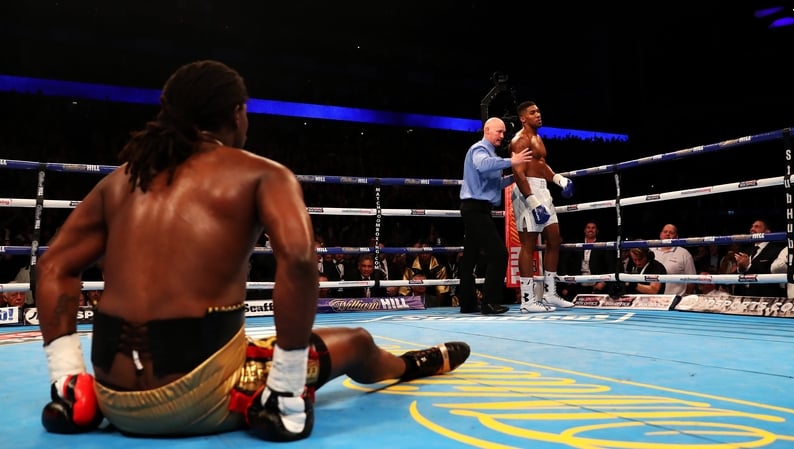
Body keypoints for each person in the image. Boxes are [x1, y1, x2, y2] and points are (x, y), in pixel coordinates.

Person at [33, 60, 470, 442]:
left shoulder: (121, 179)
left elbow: (52, 265)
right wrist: (285, 384)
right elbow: (299, 260)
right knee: (355, 341)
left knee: (252, 343)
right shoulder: (262, 174)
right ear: (238, 113)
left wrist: (68, 374)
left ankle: (72, 394)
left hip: (112, 397)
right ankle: (409, 367)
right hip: (200, 397)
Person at [458, 117, 533, 315]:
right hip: (475, 209)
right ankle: (490, 302)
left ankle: (467, 304)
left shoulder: (491, 155)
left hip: (478, 208)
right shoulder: (479, 150)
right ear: (487, 130)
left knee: (470, 259)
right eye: (499, 132)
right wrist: (512, 160)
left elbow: (493, 185)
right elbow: (483, 165)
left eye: (503, 132)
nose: (502, 135)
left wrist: (514, 177)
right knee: (499, 254)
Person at [509, 101, 575, 313]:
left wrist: (558, 179)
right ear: (523, 118)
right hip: (526, 191)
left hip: (543, 189)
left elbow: (541, 165)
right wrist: (532, 201)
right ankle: (527, 300)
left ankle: (549, 293)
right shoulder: (519, 141)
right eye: (532, 112)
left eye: (538, 111)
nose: (538, 114)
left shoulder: (538, 138)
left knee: (554, 240)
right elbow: (518, 173)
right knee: (527, 244)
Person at [558, 219, 616, 300]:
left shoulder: (603, 245)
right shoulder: (576, 244)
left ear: (597, 231)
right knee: (565, 295)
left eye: (593, 228)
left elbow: (611, 264)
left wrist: (604, 282)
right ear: (585, 230)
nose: (590, 230)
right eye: (588, 228)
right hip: (577, 282)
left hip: (597, 282)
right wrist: (567, 280)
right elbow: (563, 262)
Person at [732, 219, 786, 298]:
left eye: (757, 227)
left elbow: (772, 272)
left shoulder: (777, 250)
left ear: (767, 232)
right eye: (752, 226)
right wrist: (740, 268)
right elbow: (739, 274)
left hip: (765, 297)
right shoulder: (747, 250)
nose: (752, 229)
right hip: (744, 296)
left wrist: (748, 266)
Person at [652, 224, 696, 297]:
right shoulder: (651, 251)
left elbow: (691, 281)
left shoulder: (684, 253)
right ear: (660, 234)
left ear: (677, 237)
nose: (667, 234)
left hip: (675, 299)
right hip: (653, 299)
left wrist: (684, 297)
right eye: (665, 232)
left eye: (671, 233)